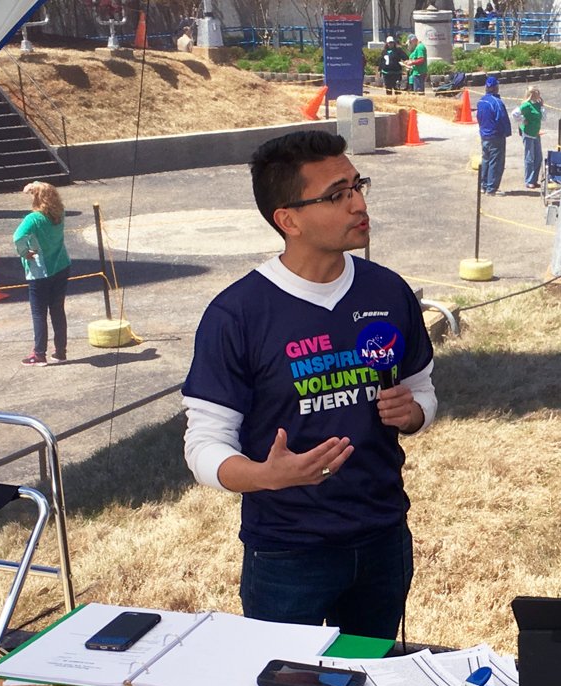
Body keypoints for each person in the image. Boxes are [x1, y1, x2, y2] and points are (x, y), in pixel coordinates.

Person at [182, 130, 436, 638]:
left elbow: (422, 390)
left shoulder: (388, 291)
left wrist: (413, 414)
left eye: (357, 185)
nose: (359, 204)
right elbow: (203, 444)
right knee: (285, 679)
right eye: (337, 195)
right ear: (289, 220)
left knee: (367, 675)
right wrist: (265, 476)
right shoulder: (237, 314)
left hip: (383, 537)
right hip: (287, 551)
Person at [14, 180, 72, 366]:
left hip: (41, 271)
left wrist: (25, 252)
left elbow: (18, 237)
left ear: (37, 199)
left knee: (39, 313)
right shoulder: (60, 213)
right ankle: (60, 351)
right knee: (57, 309)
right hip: (61, 265)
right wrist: (36, 186)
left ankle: (39, 354)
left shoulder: (33, 219)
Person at [476, 75, 512, 195]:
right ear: (496, 87)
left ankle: (483, 185)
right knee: (495, 162)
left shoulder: (481, 101)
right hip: (496, 135)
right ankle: (491, 188)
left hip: (484, 135)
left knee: (486, 160)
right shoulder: (497, 103)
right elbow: (502, 118)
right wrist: (507, 132)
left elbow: (479, 117)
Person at [512, 85, 545, 189]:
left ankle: (534, 179)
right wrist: (523, 120)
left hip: (536, 133)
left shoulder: (537, 105)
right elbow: (514, 114)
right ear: (532, 95)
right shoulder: (526, 105)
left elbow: (543, 118)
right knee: (530, 157)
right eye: (537, 93)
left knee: (538, 157)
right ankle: (529, 180)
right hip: (528, 134)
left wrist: (542, 106)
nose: (539, 95)